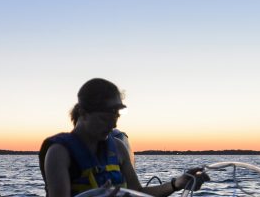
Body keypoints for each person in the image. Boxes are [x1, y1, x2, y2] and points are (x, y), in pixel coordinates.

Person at [39, 78, 210, 196]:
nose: (112, 126)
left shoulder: (118, 148)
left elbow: (138, 193)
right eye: (104, 118)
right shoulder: (59, 153)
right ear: (83, 113)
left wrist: (176, 184)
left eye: (115, 118)